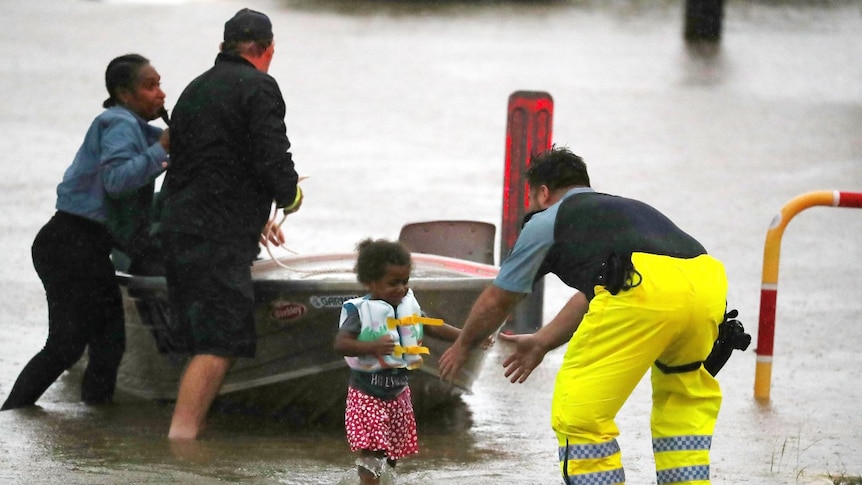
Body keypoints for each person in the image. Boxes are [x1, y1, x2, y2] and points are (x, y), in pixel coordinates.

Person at [439, 146, 728, 484]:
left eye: (531, 198)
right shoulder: (626, 210)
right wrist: (543, 341)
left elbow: (498, 300)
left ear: (543, 193)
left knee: (579, 416)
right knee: (682, 408)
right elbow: (601, 289)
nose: (531, 206)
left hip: (642, 289)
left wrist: (462, 344)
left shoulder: (549, 219)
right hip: (708, 284)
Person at [158, 8, 303, 440]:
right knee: (218, 342)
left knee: (202, 339)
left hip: (176, 227)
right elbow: (271, 152)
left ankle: (185, 439)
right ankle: (182, 445)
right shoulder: (259, 86)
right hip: (215, 235)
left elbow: (199, 162)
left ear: (223, 47)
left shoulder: (194, 88)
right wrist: (289, 194)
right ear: (267, 49)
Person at [2, 54, 169, 410]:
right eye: (150, 86)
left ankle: (91, 433)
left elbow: (165, 150)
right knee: (71, 345)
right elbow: (117, 180)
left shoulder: (134, 126)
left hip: (73, 243)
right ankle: (20, 415)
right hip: (72, 243)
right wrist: (165, 150)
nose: (161, 94)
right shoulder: (120, 123)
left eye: (160, 84)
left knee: (102, 343)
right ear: (124, 93)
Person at [334, 238, 464, 485]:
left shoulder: (407, 307)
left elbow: (433, 327)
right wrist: (371, 346)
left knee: (391, 454)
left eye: (405, 282)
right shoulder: (360, 311)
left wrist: (468, 337)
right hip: (367, 395)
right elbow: (341, 343)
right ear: (371, 283)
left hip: (397, 394)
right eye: (393, 283)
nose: (401, 289)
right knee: (372, 451)